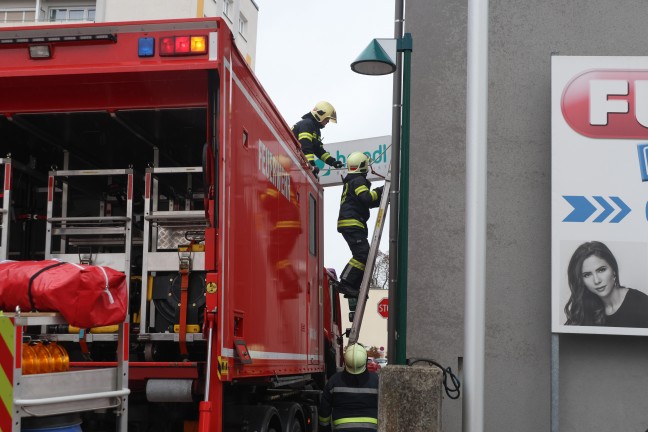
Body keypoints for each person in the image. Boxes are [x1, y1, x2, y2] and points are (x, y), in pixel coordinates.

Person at [564, 241, 648, 327]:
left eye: (601, 270)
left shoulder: (641, 304)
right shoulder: (585, 308)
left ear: (613, 269)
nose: (596, 281)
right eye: (587, 275)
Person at [334, 152, 383, 298]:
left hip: (352, 222)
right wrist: (381, 191)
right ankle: (345, 282)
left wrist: (382, 197)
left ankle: (352, 287)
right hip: (352, 223)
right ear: (364, 166)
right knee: (362, 254)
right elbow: (367, 198)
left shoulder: (353, 181)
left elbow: (368, 202)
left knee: (364, 255)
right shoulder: (358, 181)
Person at [318, 343, 379, 432]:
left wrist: (324, 428)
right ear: (365, 361)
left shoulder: (334, 381)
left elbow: (324, 409)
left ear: (345, 361)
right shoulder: (377, 380)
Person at [292, 101, 344, 176]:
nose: (328, 121)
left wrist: (332, 162)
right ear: (320, 115)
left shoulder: (315, 129)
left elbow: (319, 150)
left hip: (294, 160)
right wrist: (311, 165)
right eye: (327, 119)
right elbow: (305, 146)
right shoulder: (307, 124)